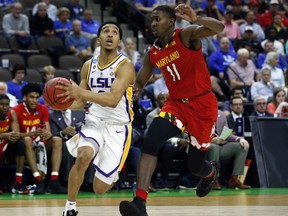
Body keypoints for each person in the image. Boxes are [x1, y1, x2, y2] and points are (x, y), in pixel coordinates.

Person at [119, 4, 224, 216]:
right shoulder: (153, 52)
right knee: (151, 141)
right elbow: (140, 81)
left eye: (158, 18)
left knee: (196, 166)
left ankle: (211, 172)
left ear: (171, 21)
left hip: (202, 105)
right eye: (152, 19)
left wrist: (196, 18)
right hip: (176, 104)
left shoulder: (186, 35)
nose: (153, 23)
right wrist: (134, 90)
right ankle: (140, 201)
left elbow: (219, 27)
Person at [57, 21, 136, 216]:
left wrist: (79, 93)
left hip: (119, 127)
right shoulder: (87, 66)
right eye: (106, 31)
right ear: (98, 38)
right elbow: (80, 101)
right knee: (83, 156)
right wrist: (59, 103)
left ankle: (110, 169)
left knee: (99, 188)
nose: (110, 34)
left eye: (115, 32)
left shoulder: (125, 66)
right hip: (94, 120)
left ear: (118, 40)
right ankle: (70, 208)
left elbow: (112, 99)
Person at [13, 83, 67, 194]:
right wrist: (33, 134)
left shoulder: (43, 109)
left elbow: (48, 132)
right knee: (27, 140)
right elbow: (16, 135)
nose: (34, 100)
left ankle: (54, 180)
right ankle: (38, 180)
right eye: (31, 97)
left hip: (41, 145)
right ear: (24, 97)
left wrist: (46, 134)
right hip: (25, 145)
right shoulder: (16, 110)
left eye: (37, 98)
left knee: (57, 140)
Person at [208, 109, 250, 190]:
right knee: (214, 147)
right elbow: (195, 136)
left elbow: (226, 134)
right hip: (205, 147)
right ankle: (213, 180)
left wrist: (239, 139)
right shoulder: (198, 114)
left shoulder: (220, 114)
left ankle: (234, 179)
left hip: (221, 146)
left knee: (241, 146)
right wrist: (213, 140)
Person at [0, 94, 29, 194]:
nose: (4, 107)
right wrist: (5, 135)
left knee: (20, 144)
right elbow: (6, 135)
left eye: (7, 104)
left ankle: (18, 182)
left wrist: (13, 136)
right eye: (1, 104)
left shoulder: (11, 113)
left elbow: (15, 133)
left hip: (4, 146)